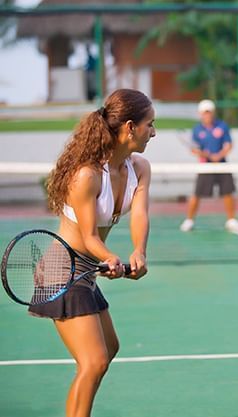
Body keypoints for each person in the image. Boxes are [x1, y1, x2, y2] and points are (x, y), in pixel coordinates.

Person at [29, 88, 155, 417]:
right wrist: (110, 257)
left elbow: (139, 214)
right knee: (94, 360)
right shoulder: (86, 175)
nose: (153, 132)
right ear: (130, 127)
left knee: (108, 350)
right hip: (62, 268)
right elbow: (87, 236)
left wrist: (138, 251)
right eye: (149, 125)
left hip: (87, 269)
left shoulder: (139, 167)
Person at [179, 99, 238, 232]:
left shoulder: (222, 126)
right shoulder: (197, 129)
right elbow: (194, 149)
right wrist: (205, 154)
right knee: (197, 194)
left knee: (228, 192)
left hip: (222, 165)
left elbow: (229, 145)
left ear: (213, 113)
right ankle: (189, 220)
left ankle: (231, 220)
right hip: (205, 166)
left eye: (209, 112)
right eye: (204, 113)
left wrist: (219, 155)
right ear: (200, 114)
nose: (207, 115)